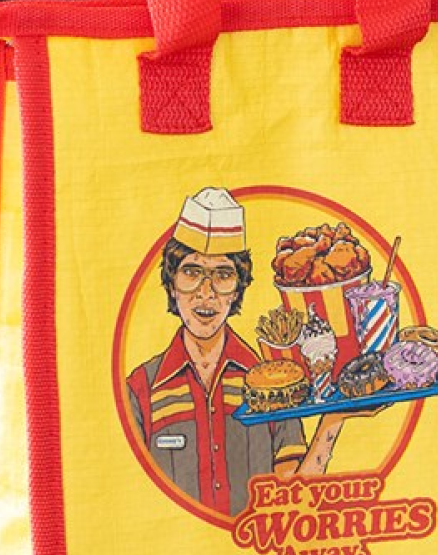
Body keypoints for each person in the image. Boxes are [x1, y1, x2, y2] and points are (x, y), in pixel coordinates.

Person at [126, 188, 358, 518]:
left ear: (237, 289)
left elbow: (295, 498)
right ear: (171, 283)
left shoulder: (273, 386)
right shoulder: (140, 389)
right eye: (191, 272)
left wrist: (333, 420)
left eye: (223, 275)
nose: (206, 293)